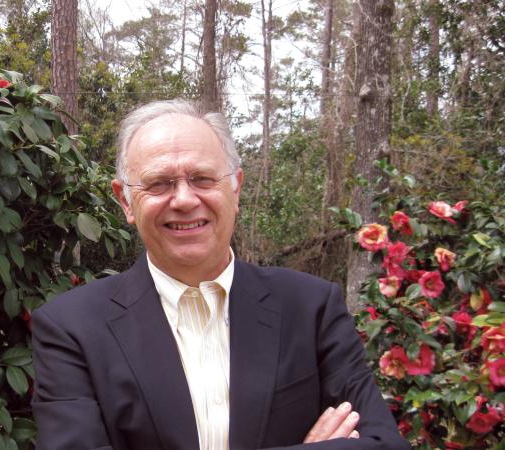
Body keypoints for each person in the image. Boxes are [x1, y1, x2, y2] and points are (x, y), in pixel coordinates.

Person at [31, 99, 409, 450]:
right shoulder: (71, 329)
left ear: (236, 188)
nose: (183, 199)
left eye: (202, 179)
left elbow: (382, 442)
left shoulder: (311, 308)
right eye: (159, 183)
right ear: (126, 201)